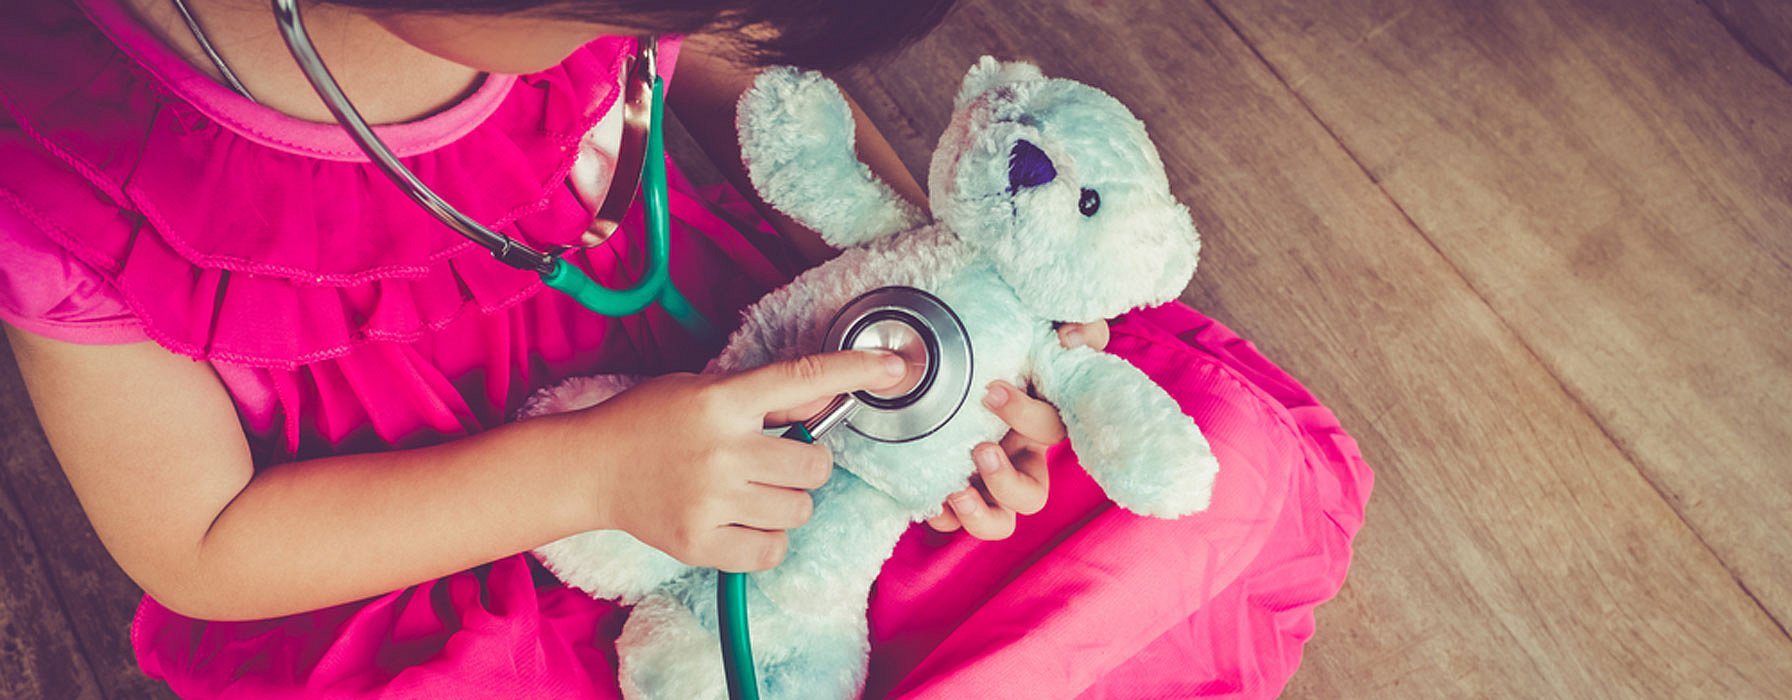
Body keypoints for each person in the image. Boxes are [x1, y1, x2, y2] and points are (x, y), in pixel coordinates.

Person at [0, 0, 1373, 697]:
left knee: (1206, 477)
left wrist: (952, 335)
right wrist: (590, 477)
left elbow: (739, 84)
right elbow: (200, 540)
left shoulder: (643, 33)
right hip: (426, 537)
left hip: (756, 365)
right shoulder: (68, 163)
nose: (648, 45)